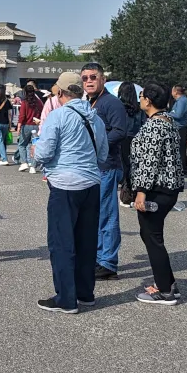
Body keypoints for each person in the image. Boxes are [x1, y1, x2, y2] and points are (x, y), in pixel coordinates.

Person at [30, 72, 109, 314]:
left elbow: (44, 153)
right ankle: (85, 293)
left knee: (62, 242)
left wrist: (34, 150)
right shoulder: (95, 118)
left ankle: (66, 298)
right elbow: (103, 155)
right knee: (86, 241)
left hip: (64, 184)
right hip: (91, 183)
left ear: (60, 93)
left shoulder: (58, 115)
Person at [130, 82, 185, 305]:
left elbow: (149, 162)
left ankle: (165, 290)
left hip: (156, 189)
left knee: (152, 236)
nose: (140, 98)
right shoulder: (168, 121)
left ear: (149, 100)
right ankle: (168, 283)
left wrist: (141, 192)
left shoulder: (154, 126)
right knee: (151, 235)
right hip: (168, 188)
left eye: (142, 95)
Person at [81, 62, 128, 281]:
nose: (88, 81)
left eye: (93, 77)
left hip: (108, 166)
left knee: (107, 214)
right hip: (91, 167)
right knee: (94, 214)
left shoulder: (111, 103)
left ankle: (108, 261)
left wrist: (97, 144)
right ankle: (98, 257)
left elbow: (120, 131)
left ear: (102, 80)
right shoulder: (87, 102)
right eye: (85, 78)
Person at [117, 82, 146, 209]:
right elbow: (143, 124)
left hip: (121, 139)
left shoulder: (117, 107)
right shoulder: (139, 109)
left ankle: (125, 195)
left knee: (123, 166)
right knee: (133, 167)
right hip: (136, 139)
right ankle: (131, 194)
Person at [15, 84, 43, 174]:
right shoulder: (39, 102)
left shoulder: (25, 102)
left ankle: (24, 162)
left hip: (26, 125)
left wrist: (18, 126)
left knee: (22, 144)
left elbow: (22, 116)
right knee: (34, 146)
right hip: (36, 126)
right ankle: (33, 166)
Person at [169, 85, 187, 176]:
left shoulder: (182, 101)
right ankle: (181, 169)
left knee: (181, 150)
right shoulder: (180, 101)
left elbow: (178, 114)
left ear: (176, 92)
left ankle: (183, 170)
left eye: (172, 90)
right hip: (178, 127)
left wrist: (168, 114)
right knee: (179, 149)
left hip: (181, 127)